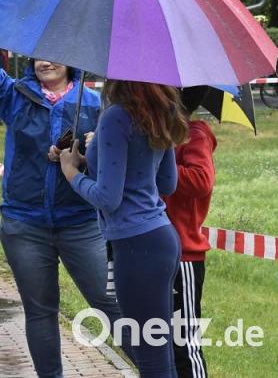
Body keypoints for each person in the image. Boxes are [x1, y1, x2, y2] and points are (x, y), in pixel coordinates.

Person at [0, 40, 120, 377]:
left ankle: (156, 369)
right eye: (40, 56)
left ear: (72, 62)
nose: (46, 61)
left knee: (109, 302)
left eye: (56, 54)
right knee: (41, 311)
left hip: (81, 224)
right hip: (25, 225)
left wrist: (84, 157)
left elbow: (110, 164)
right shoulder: (16, 96)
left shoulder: (93, 104)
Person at [59, 80, 186, 376]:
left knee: (149, 356)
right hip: (162, 239)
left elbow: (108, 198)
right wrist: (95, 160)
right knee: (160, 351)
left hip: (135, 245)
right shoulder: (160, 111)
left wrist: (71, 173)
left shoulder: (116, 116)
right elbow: (167, 183)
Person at [164, 86, 216, 378]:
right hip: (150, 251)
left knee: (184, 343)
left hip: (183, 255)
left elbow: (200, 181)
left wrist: (159, 159)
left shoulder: (194, 134)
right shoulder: (153, 135)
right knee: (153, 337)